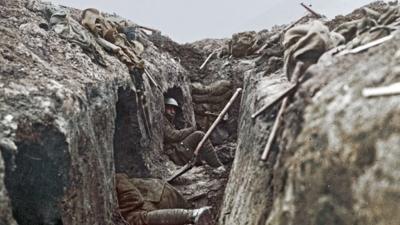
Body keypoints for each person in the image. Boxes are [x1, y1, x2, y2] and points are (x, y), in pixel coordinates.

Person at [116, 173, 213, 225]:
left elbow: (134, 199)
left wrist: (124, 212)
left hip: (160, 195)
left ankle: (194, 215)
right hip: (159, 200)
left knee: (134, 220)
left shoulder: (113, 180)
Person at [163, 97, 225, 169]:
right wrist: (191, 129)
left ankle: (206, 163)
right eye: (170, 109)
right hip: (176, 154)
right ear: (164, 108)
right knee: (199, 135)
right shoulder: (163, 121)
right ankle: (218, 166)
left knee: (198, 138)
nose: (173, 111)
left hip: (178, 151)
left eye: (173, 109)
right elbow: (173, 135)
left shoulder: (169, 122)